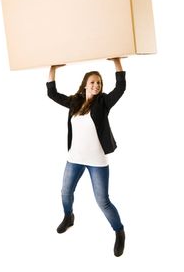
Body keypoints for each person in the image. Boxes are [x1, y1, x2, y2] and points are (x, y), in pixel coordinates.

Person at [46, 57, 126, 257]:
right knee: (65, 192)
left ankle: (119, 231)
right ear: (85, 85)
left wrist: (116, 62)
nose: (96, 85)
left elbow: (121, 87)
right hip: (74, 158)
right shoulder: (75, 102)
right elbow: (52, 93)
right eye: (92, 82)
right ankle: (68, 216)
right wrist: (53, 68)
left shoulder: (104, 102)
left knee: (103, 201)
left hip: (97, 161)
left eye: (99, 82)